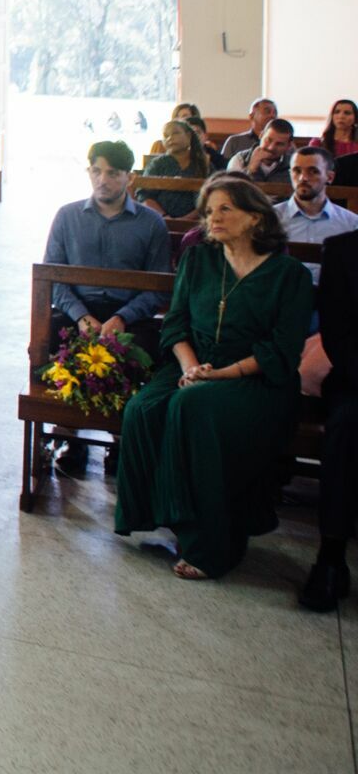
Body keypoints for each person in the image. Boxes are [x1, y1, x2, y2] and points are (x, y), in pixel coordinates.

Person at [113, 176, 315, 580]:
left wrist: (220, 374)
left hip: (257, 378)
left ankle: (213, 543)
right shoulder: (199, 259)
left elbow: (283, 349)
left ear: (256, 218)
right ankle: (169, 516)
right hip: (195, 363)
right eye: (208, 211)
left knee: (193, 405)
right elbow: (176, 325)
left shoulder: (289, 275)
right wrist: (190, 366)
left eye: (225, 209)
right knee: (144, 407)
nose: (213, 218)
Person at [41, 140, 172, 477]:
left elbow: (156, 287)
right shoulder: (68, 216)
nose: (103, 180)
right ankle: (70, 434)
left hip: (129, 313)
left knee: (139, 353)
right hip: (78, 310)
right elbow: (53, 277)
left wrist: (122, 317)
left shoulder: (150, 224)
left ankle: (120, 435)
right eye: (97, 171)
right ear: (88, 172)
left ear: (129, 177)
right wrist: (81, 316)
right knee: (53, 345)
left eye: (113, 173)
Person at [301, 229, 358, 610]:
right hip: (356, 378)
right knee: (348, 427)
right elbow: (337, 332)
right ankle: (331, 555)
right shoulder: (342, 250)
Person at [277, 146, 358, 259]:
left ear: (329, 177)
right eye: (297, 171)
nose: (303, 178)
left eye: (313, 171)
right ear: (290, 174)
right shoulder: (270, 218)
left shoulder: (351, 224)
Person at [137, 118, 210, 223]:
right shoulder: (157, 164)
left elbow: (209, 198)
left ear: (189, 136)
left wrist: (185, 220)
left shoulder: (203, 164)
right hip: (158, 220)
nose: (170, 138)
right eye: (166, 136)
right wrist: (164, 217)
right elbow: (144, 195)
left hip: (196, 223)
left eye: (175, 133)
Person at [225, 118, 295, 184]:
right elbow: (232, 191)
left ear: (288, 146)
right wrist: (251, 168)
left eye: (279, 144)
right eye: (268, 140)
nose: (271, 148)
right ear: (261, 135)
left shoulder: (293, 165)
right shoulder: (240, 159)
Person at [218, 97, 278, 162]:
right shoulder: (234, 141)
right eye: (267, 112)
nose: (272, 115)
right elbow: (224, 168)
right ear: (251, 116)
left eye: (275, 113)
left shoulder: (282, 143)